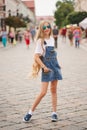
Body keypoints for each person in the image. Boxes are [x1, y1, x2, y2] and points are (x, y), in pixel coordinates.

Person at [23, 20, 62, 122]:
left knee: (54, 90)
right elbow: (36, 56)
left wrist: (57, 64)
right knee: (43, 92)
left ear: (50, 27)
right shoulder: (40, 41)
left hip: (55, 67)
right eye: (44, 27)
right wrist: (44, 67)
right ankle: (30, 112)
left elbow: (53, 54)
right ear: (41, 29)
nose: (47, 29)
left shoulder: (52, 39)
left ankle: (54, 113)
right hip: (46, 68)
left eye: (48, 26)